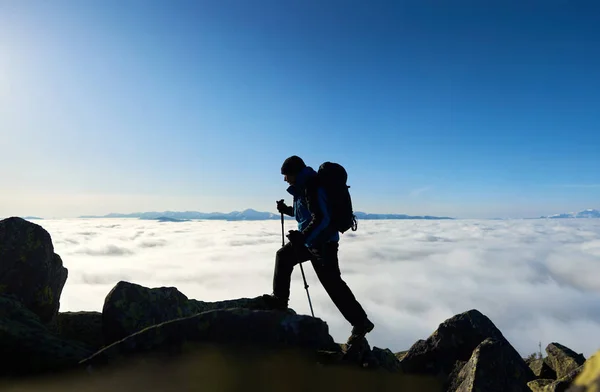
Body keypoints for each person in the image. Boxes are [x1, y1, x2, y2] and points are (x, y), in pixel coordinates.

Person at [262, 155, 374, 344]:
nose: (284, 179)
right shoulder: (303, 188)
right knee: (284, 256)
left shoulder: (311, 186)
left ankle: (361, 322)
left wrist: (302, 237)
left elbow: (322, 218)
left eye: (286, 175)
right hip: (311, 242)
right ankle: (280, 300)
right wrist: (286, 209)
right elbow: (305, 214)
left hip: (323, 244)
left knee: (332, 284)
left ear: (295, 172)